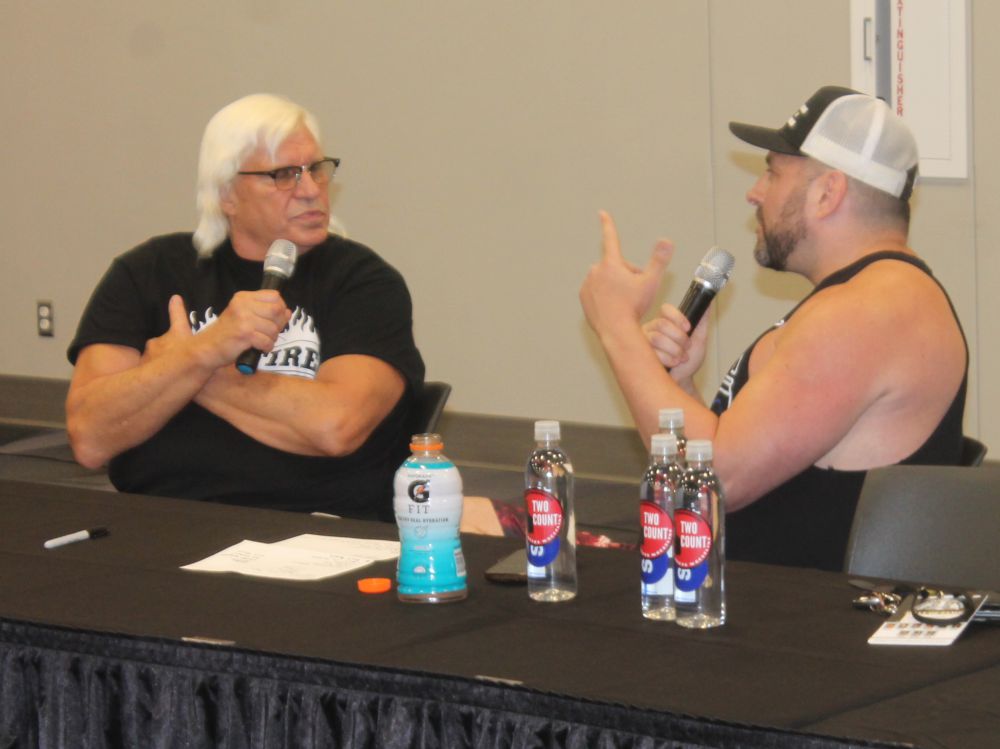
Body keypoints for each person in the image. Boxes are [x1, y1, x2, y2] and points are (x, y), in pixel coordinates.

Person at [579, 85, 968, 571]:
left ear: (828, 192)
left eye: (772, 172)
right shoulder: (869, 298)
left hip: (804, 635)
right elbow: (751, 463)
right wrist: (680, 387)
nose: (754, 192)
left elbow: (718, 483)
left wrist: (616, 327)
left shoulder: (867, 311)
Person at [66, 94, 425, 521]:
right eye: (283, 175)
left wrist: (192, 362)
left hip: (314, 526)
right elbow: (89, 438)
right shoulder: (148, 272)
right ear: (226, 194)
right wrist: (206, 350)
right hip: (158, 522)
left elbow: (336, 426)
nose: (310, 190)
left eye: (315, 169)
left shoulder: (362, 280)